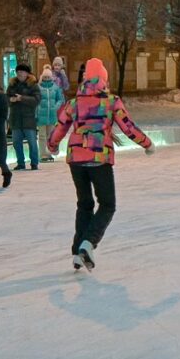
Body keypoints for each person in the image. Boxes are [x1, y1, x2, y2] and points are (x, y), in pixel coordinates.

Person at [48, 58, 154, 271]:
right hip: (99, 158)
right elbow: (128, 126)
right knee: (107, 204)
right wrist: (147, 143)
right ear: (104, 79)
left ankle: (78, 249)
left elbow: (61, 125)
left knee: (84, 204)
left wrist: (52, 145)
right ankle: (88, 244)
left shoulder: (74, 102)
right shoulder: (111, 101)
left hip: (76, 158)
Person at [7, 63, 41, 170]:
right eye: (18, 72)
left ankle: (34, 162)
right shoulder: (12, 84)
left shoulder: (33, 85)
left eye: (22, 72)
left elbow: (36, 100)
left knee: (32, 142)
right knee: (17, 142)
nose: (20, 74)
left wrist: (22, 98)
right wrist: (10, 100)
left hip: (28, 118)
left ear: (27, 73)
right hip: (15, 118)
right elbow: (6, 97)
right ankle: (20, 163)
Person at [37, 67, 65, 163]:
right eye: (45, 77)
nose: (47, 79)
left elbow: (60, 99)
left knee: (50, 135)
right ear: (42, 77)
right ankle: (42, 154)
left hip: (52, 115)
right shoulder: (39, 87)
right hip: (41, 115)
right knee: (41, 136)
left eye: (48, 77)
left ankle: (49, 153)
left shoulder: (55, 87)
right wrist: (38, 108)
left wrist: (55, 107)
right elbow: (36, 100)